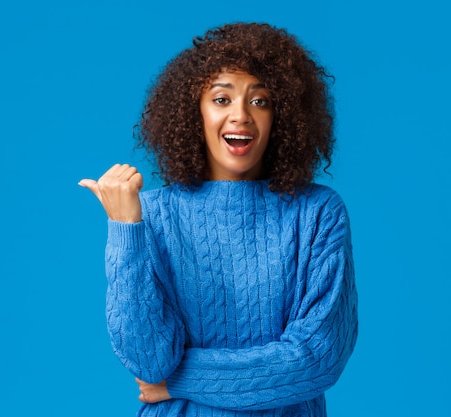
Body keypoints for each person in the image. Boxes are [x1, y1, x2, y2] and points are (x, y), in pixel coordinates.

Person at [79, 22, 358, 416]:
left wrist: (177, 382)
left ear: (283, 116)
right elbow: (148, 362)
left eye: (260, 101)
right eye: (221, 99)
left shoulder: (317, 213)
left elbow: (317, 358)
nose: (240, 115)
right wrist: (126, 231)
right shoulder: (154, 215)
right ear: (194, 111)